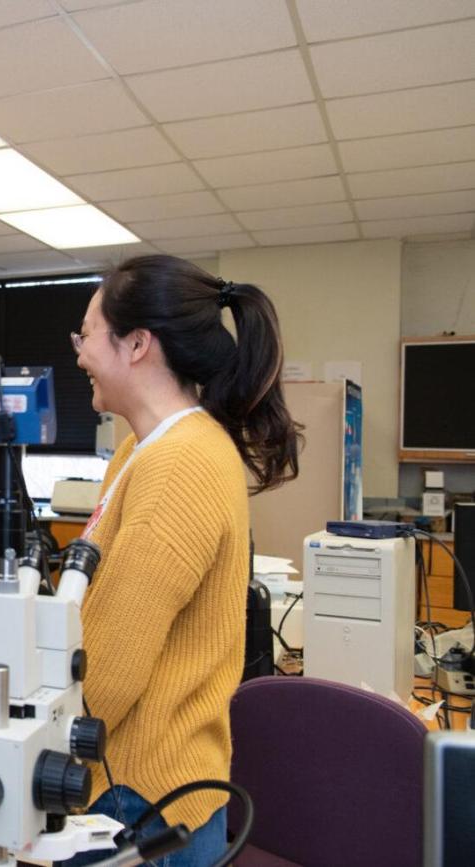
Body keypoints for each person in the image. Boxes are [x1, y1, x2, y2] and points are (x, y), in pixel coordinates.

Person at [61, 255, 300, 866]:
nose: (79, 351)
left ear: (137, 343)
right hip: (132, 781)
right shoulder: (141, 450)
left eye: (86, 334)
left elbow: (111, 665)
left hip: (143, 793)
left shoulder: (181, 461)